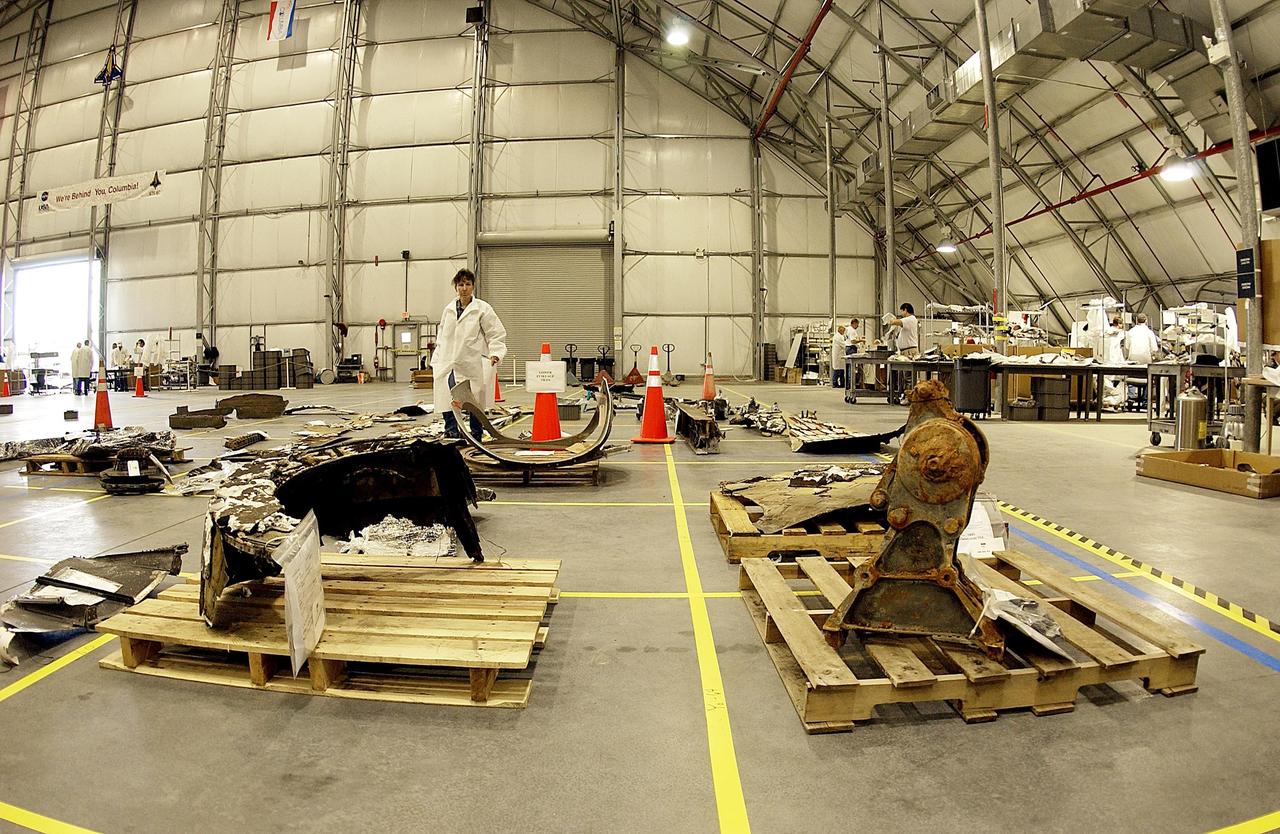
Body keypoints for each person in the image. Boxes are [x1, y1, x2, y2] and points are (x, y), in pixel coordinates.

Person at [431, 268, 507, 439]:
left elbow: (495, 332)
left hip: (471, 361)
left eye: (467, 284)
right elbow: (442, 334)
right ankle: (451, 431)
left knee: (474, 399)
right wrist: (437, 358)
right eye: (460, 284)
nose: (464, 288)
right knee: (447, 396)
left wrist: (495, 352)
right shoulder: (449, 309)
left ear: (473, 286)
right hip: (447, 361)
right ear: (456, 287)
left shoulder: (482, 309)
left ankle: (476, 433)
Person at [830, 325, 846, 389]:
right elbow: (844, 344)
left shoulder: (840, 336)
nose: (844, 332)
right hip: (838, 355)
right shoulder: (838, 337)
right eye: (843, 331)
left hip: (840, 355)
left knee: (841, 370)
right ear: (840, 330)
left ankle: (842, 383)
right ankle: (835, 383)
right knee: (837, 370)